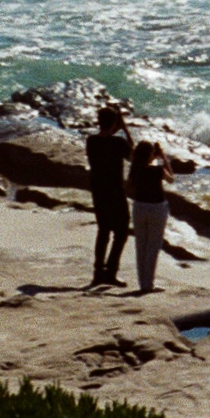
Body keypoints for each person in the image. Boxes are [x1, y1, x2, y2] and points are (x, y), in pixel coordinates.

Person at [84, 106, 132, 287]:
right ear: (114, 124)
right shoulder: (119, 143)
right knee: (121, 232)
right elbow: (135, 158)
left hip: (98, 191)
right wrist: (125, 130)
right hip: (115, 191)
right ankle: (110, 272)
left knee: (103, 230)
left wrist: (116, 128)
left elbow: (105, 138)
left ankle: (98, 273)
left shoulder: (91, 141)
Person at [128, 139, 174, 294]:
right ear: (151, 155)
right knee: (153, 246)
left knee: (141, 245)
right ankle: (149, 284)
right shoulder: (158, 170)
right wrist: (163, 158)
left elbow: (131, 182)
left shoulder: (135, 169)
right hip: (157, 208)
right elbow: (171, 179)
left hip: (139, 206)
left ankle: (143, 284)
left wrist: (153, 157)